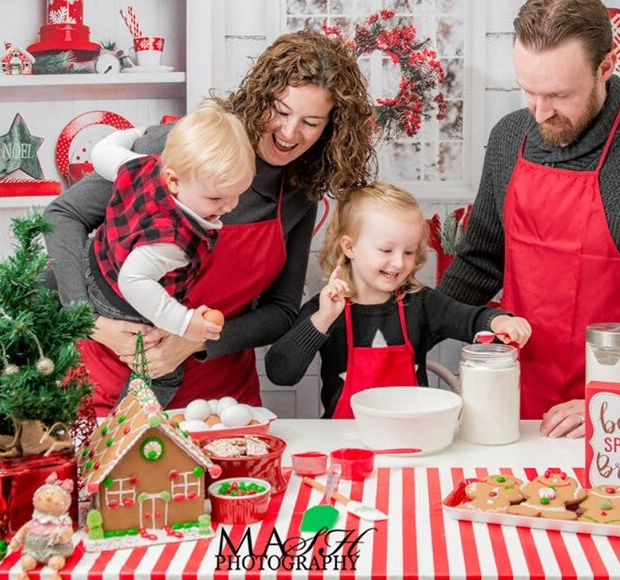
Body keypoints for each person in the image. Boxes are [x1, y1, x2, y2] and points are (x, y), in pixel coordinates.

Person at [437, 0, 620, 438]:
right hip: (514, 408)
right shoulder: (510, 137)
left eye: (558, 95)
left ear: (606, 67)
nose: (538, 112)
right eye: (527, 91)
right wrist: (407, 325)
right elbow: (481, 260)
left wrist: (618, 398)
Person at [44, 30, 377, 414]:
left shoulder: (300, 196)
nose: (289, 133)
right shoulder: (180, 148)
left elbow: (281, 311)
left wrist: (194, 341)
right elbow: (64, 214)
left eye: (311, 122)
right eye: (281, 112)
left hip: (223, 404)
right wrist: (88, 320)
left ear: (330, 130)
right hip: (112, 384)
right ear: (259, 98)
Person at [265, 182, 532, 418]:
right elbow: (280, 373)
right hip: (347, 442)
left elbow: (470, 319)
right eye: (386, 249)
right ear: (350, 247)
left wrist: (497, 320)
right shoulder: (325, 308)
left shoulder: (421, 303)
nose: (398, 262)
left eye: (409, 252)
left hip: (413, 436)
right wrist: (322, 319)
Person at [84, 100, 255, 406]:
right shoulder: (172, 241)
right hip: (119, 300)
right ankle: (127, 427)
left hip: (95, 258)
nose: (229, 207)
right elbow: (134, 282)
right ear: (174, 181)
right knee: (164, 374)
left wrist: (134, 132)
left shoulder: (144, 165)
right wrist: (185, 322)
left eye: (237, 195)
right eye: (217, 197)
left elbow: (101, 152)